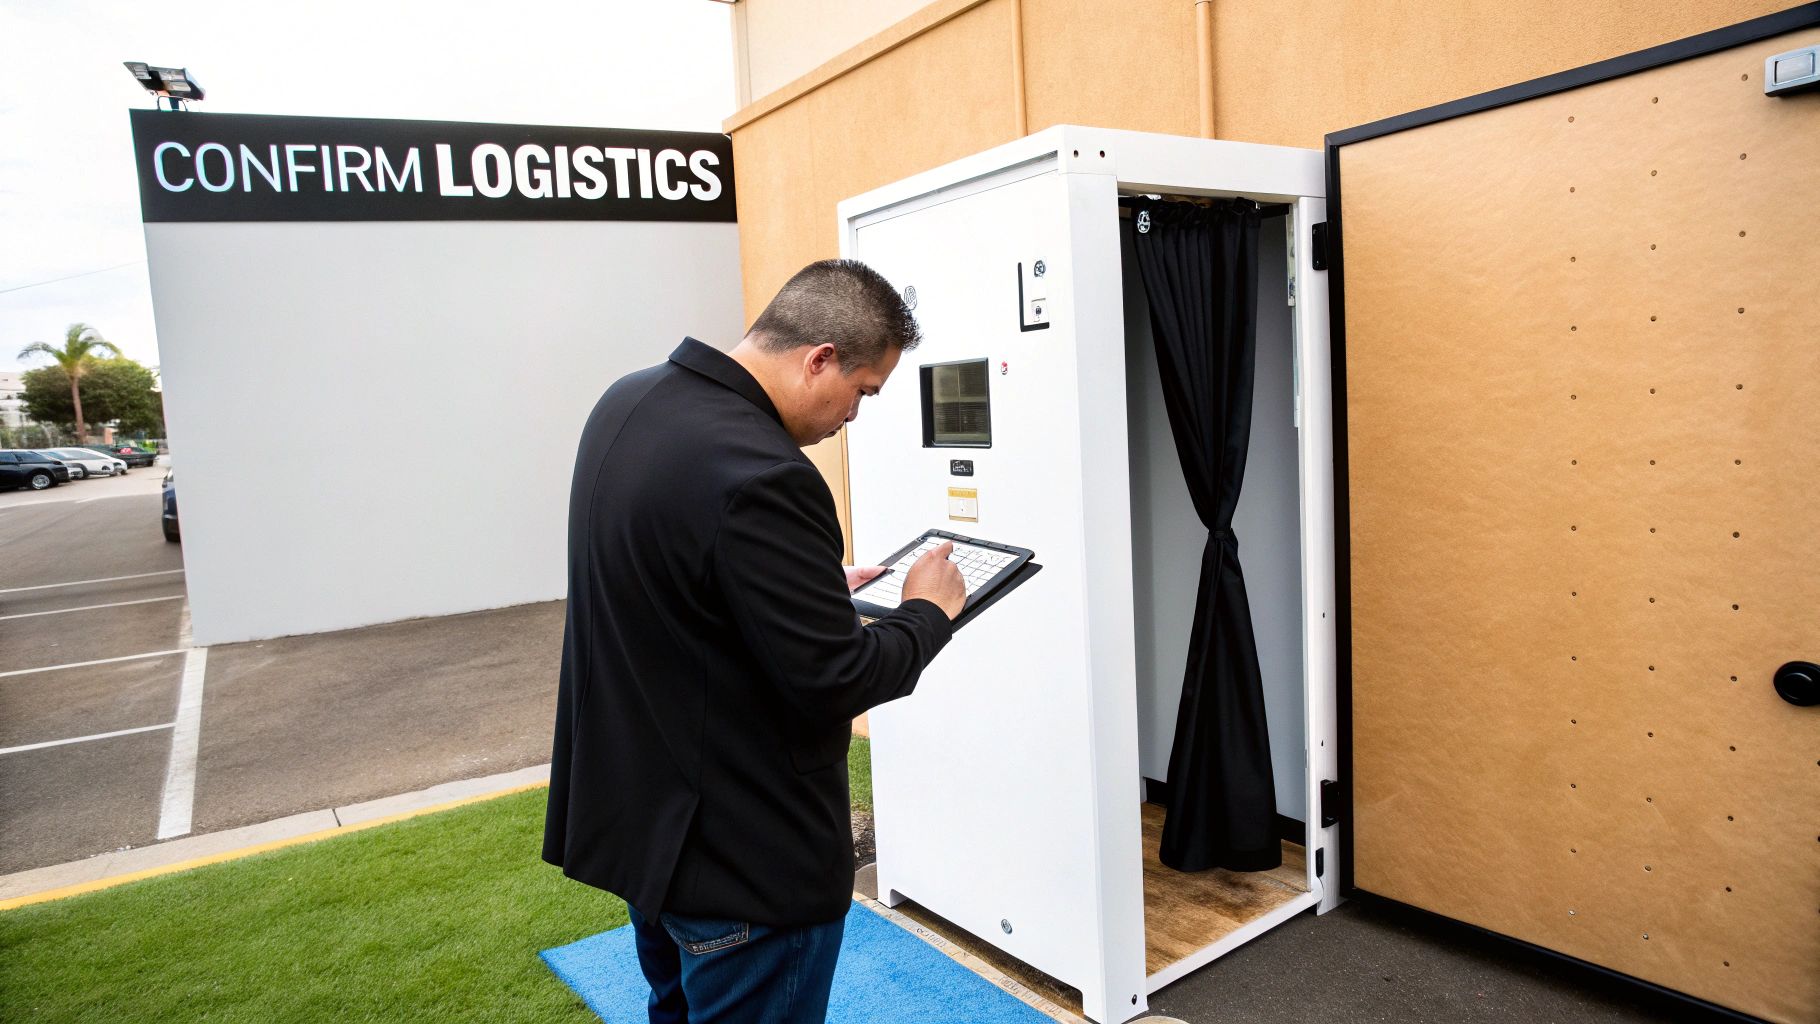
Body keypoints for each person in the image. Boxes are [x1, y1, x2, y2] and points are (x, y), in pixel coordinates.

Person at [543, 259, 967, 1023]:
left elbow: (667, 579)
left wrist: (801, 587)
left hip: (649, 833)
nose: (853, 418)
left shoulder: (629, 401)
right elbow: (837, 678)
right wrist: (926, 613)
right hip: (741, 860)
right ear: (820, 360)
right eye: (862, 393)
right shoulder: (766, 473)